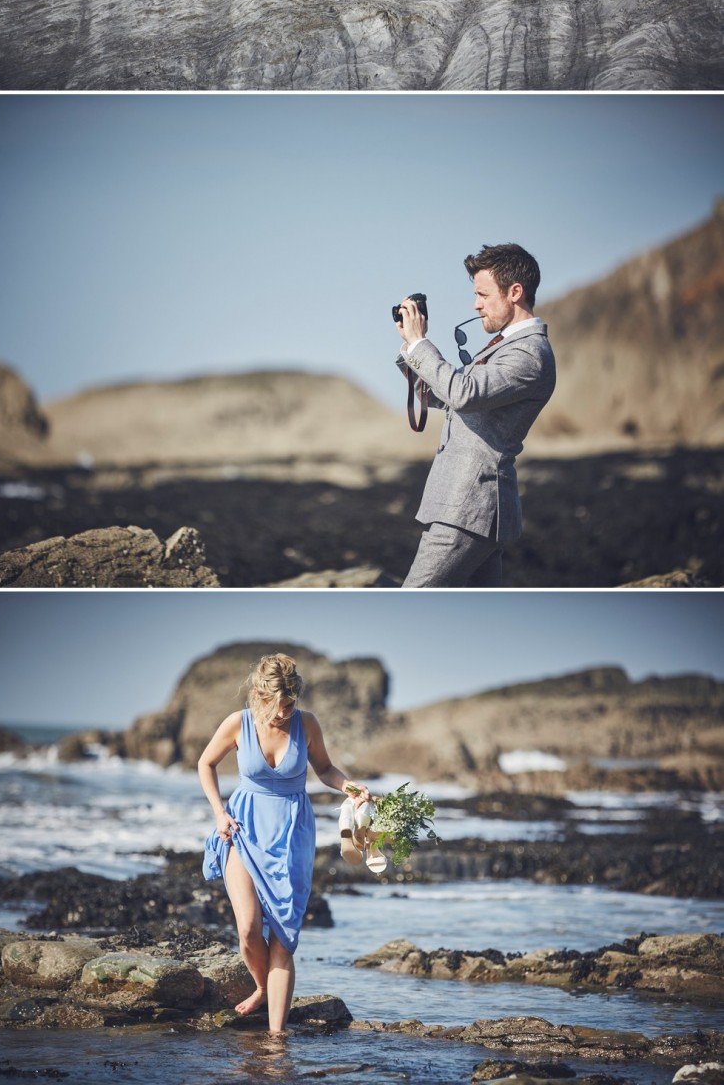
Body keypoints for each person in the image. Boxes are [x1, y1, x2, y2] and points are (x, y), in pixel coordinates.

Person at [198, 652, 371, 1034]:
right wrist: (218, 812)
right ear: (258, 695)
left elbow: (324, 769)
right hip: (242, 830)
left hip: (292, 834)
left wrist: (352, 787)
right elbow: (205, 763)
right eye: (275, 706)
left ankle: (277, 1038)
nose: (281, 713)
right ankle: (262, 986)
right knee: (247, 929)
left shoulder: (306, 724)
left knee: (282, 939)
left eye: (289, 705)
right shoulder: (237, 723)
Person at [395, 243, 556, 587]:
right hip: (473, 510)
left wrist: (420, 345)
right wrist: (409, 349)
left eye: (483, 294)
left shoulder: (529, 354)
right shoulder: (505, 346)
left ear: (515, 292)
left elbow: (463, 393)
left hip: (469, 508)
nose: (476, 304)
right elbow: (451, 399)